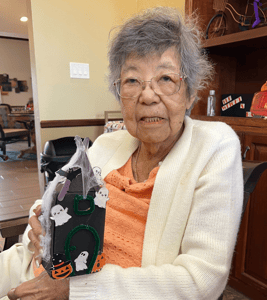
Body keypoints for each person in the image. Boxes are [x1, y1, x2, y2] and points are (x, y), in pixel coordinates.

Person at [0, 7, 243, 300]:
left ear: (190, 93)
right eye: (132, 81)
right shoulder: (107, 144)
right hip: (36, 267)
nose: (148, 95)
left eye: (166, 78)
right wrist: (40, 221)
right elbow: (53, 199)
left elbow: (201, 280)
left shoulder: (214, 146)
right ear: (119, 94)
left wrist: (74, 290)